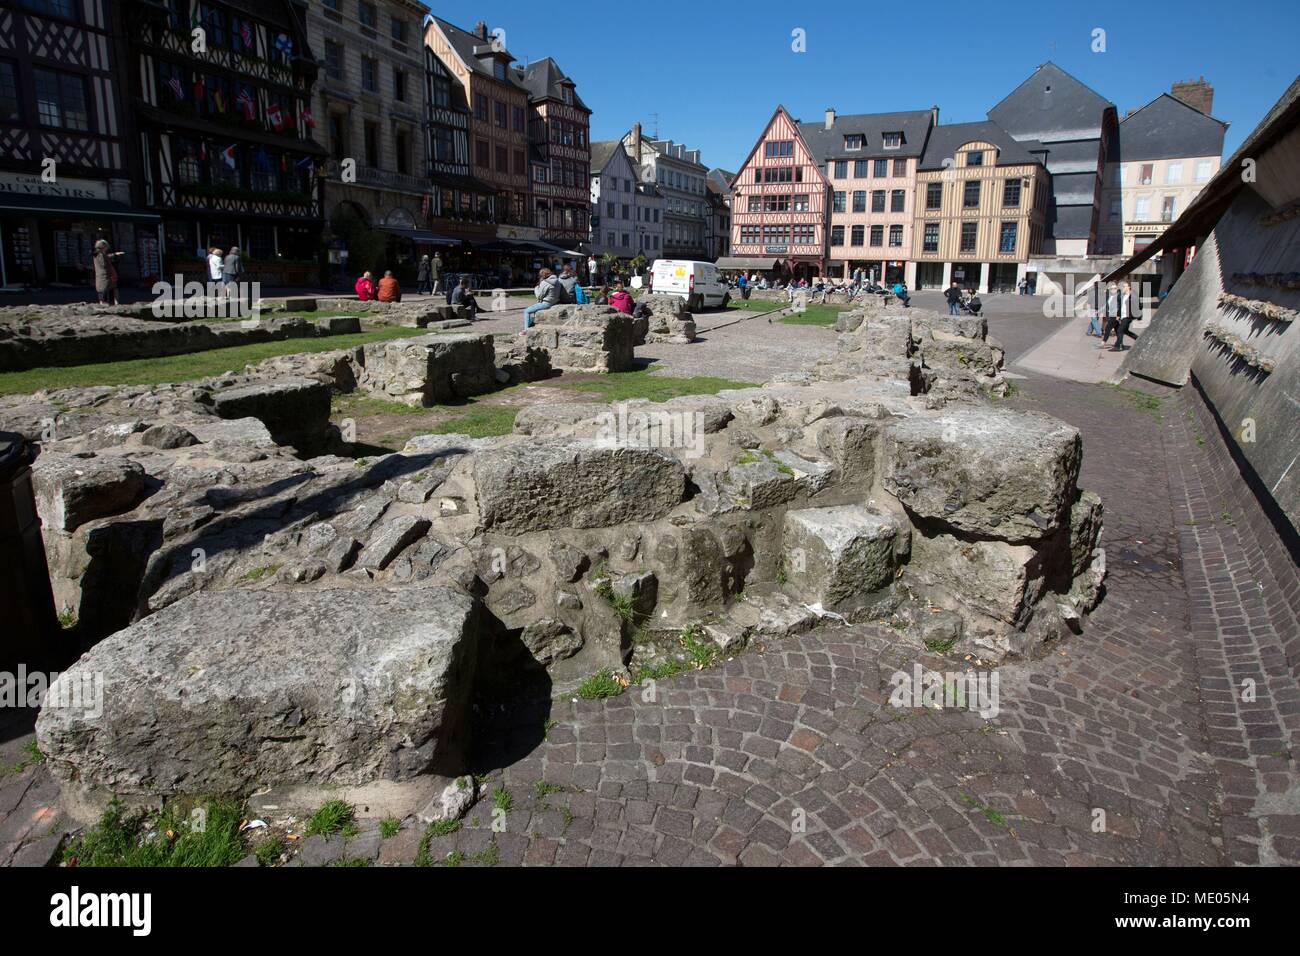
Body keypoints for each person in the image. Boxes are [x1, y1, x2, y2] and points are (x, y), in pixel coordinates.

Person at [1111, 281, 1139, 351]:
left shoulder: (1133, 295)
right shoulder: (1123, 295)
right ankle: (1138, 339)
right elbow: (1121, 306)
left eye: (1124, 286)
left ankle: (1118, 346)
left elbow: (1139, 306)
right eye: (1122, 286)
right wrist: (1118, 315)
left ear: (1129, 287)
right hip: (1122, 316)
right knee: (1124, 330)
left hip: (1128, 317)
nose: (1123, 288)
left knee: (1120, 330)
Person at [91, 239, 121, 305]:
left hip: (103, 276)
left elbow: (106, 257)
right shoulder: (99, 254)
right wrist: (112, 271)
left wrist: (114, 254)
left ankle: (109, 302)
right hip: (105, 275)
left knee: (105, 289)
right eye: (106, 247)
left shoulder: (99, 253)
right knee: (105, 290)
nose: (107, 248)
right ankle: (105, 303)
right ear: (103, 247)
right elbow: (104, 263)